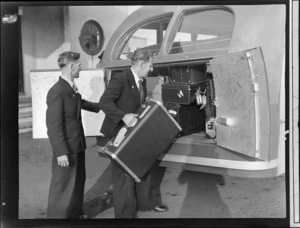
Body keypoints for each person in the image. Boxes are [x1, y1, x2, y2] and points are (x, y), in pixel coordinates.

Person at [99, 49, 168, 218]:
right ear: (142, 64)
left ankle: (145, 203)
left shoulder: (141, 80)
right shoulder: (120, 79)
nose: (151, 69)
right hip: (118, 132)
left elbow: (136, 103)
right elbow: (104, 102)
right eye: (150, 65)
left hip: (134, 130)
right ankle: (125, 215)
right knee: (123, 175)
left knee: (143, 165)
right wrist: (123, 117)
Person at [46, 51, 101, 218]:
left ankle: (74, 215)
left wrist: (100, 106)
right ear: (71, 66)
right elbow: (53, 126)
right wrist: (61, 152)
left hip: (77, 145)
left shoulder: (69, 87)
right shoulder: (58, 91)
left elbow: (79, 103)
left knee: (77, 183)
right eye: (79, 66)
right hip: (67, 148)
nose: (81, 68)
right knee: (63, 187)